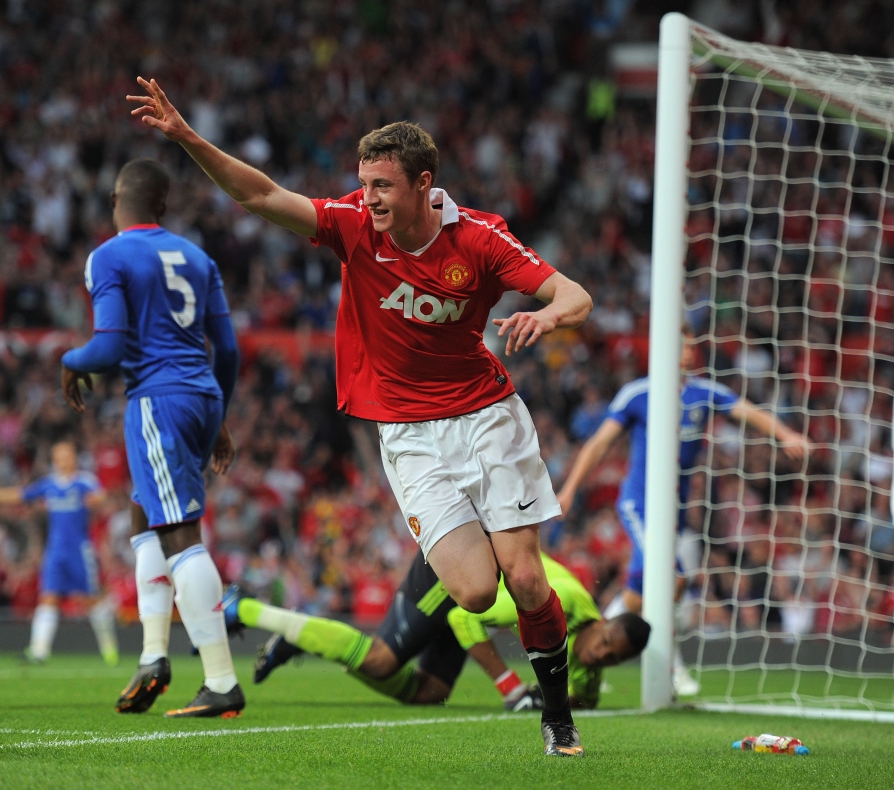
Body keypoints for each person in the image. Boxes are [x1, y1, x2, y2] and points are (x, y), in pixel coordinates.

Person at [128, 77, 593, 755]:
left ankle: (557, 717)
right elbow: (258, 195)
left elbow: (573, 293)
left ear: (422, 184)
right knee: (472, 593)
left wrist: (548, 314)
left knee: (524, 578)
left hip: (487, 415)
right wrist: (188, 137)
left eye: (381, 185)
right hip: (407, 433)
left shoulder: (482, 239)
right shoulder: (351, 227)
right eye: (363, 182)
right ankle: (506, 590)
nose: (367, 197)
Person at [60, 158, 241, 719]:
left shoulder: (110, 255)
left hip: (156, 399)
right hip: (201, 394)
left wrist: (69, 360)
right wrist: (220, 418)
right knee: (146, 522)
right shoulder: (197, 256)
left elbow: (108, 346)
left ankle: (220, 681)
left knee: (180, 533)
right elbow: (228, 350)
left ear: (117, 200)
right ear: (163, 204)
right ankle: (153, 657)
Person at [556, 328, 810, 695]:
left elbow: (746, 411)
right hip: (639, 503)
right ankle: (671, 668)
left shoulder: (703, 393)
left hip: (673, 510)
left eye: (692, 346)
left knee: (639, 594)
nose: (688, 353)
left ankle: (582, 650)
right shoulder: (638, 393)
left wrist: (786, 435)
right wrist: (568, 490)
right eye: (680, 346)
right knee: (672, 579)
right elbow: (598, 444)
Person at [223, 550, 649, 711]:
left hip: (471, 591)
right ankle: (244, 607)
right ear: (605, 621)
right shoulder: (569, 602)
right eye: (606, 644)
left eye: (613, 658)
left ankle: (305, 639)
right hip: (452, 574)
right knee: (381, 660)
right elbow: (466, 618)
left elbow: (583, 696)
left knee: (429, 693)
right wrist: (512, 688)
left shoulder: (591, 651)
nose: (600, 656)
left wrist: (568, 699)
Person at [0, 441, 118, 666]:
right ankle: (39, 651)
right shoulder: (49, 485)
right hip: (55, 551)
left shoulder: (84, 481)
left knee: (91, 600)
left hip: (79, 550)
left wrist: (96, 501)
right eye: (58, 456)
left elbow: (102, 496)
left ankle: (109, 649)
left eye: (66, 455)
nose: (62, 461)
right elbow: (20, 495)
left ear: (73, 458)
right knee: (48, 597)